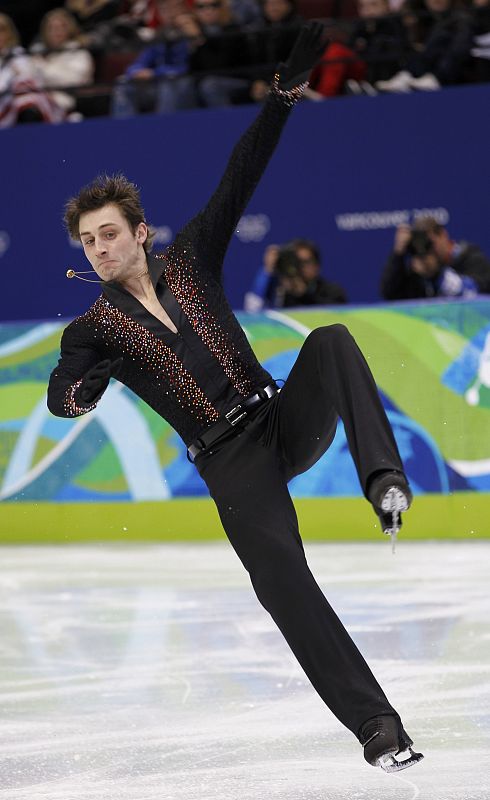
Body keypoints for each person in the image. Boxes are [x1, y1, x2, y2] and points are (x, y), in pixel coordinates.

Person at [47, 23, 423, 773]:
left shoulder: (189, 259)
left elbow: (240, 173)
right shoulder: (93, 329)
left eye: (109, 233)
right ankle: (379, 728)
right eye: (88, 241)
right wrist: (78, 399)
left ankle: (384, 483)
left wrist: (281, 98)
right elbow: (61, 390)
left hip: (280, 415)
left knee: (335, 340)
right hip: (230, 465)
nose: (99, 248)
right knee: (282, 579)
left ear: (140, 232)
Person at [380, 216, 490, 300]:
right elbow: (389, 294)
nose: (426, 250)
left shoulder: (470, 258)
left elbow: (471, 293)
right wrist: (398, 254)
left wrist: (435, 275)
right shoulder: (417, 271)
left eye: (429, 243)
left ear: (443, 235)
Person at [244, 238, 347, 311]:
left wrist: (303, 294)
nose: (299, 267)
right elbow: (252, 312)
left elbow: (333, 316)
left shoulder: (333, 291)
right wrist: (266, 272)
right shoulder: (278, 291)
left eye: (304, 262)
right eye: (295, 262)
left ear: (317, 266)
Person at [0, 12, 64, 127]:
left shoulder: (18, 55)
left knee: (27, 97)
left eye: (1, 30)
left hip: (14, 105)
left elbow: (26, 77)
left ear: (9, 33)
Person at [30, 8, 95, 121]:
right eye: (52, 28)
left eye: (61, 27)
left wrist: (42, 67)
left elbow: (73, 81)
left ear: (70, 29)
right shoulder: (39, 53)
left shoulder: (79, 52)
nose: (57, 32)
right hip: (39, 101)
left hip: (68, 103)